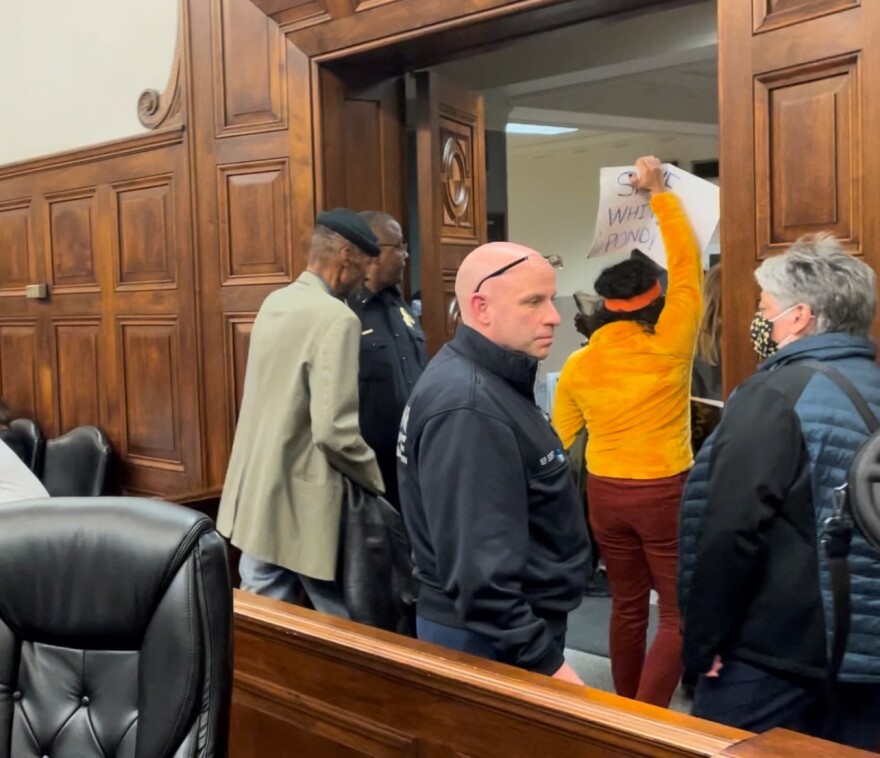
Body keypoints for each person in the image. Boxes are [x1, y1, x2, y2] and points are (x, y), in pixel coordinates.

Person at [678, 235, 880, 750]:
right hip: (865, 651)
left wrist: (704, 642)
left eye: (765, 308)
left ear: (798, 317)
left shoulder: (773, 394)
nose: (758, 320)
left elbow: (729, 529)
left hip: (778, 651)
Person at [397, 242, 590, 683]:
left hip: (498, 629)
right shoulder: (470, 406)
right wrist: (545, 663)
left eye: (550, 298)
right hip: (488, 640)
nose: (554, 316)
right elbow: (480, 573)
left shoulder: (487, 381)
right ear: (481, 308)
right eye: (533, 302)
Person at [552, 155, 702, 707]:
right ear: (655, 301)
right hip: (663, 489)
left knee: (627, 604)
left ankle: (619, 713)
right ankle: (647, 716)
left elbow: (560, 440)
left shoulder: (580, 363)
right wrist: (660, 193)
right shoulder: (671, 341)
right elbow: (688, 267)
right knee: (678, 614)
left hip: (605, 495)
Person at [217, 208, 385, 618]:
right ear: (345, 255)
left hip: (257, 495)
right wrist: (376, 480)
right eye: (363, 268)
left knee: (260, 618)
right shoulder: (337, 318)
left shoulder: (275, 302)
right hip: (305, 506)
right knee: (342, 629)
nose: (364, 280)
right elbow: (334, 431)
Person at [347, 211, 427, 508]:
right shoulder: (346, 313)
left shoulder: (400, 308)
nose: (406, 255)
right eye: (400, 246)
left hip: (415, 460)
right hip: (372, 473)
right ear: (373, 252)